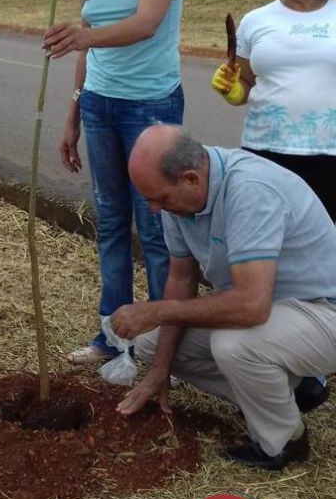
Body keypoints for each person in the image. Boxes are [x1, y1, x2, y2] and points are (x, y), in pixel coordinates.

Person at [111, 125, 336, 471]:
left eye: (160, 198)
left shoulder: (249, 190)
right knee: (152, 345)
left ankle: (284, 440)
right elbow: (182, 279)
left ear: (191, 179)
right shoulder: (178, 205)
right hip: (279, 316)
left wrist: (156, 310)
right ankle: (284, 391)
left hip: (323, 310)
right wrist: (160, 370)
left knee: (235, 345)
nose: (154, 209)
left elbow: (250, 306)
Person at [42, 0, 186, 365]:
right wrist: (73, 112)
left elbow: (146, 22)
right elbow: (88, 43)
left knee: (155, 228)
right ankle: (111, 335)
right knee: (109, 222)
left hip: (150, 105)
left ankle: (161, 342)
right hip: (100, 103)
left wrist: (84, 36)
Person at [211, 0, 336, 408]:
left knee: (323, 264)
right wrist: (233, 90)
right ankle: (282, 360)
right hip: (265, 156)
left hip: (328, 158)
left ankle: (317, 360)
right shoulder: (256, 21)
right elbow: (244, 91)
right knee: (270, 262)